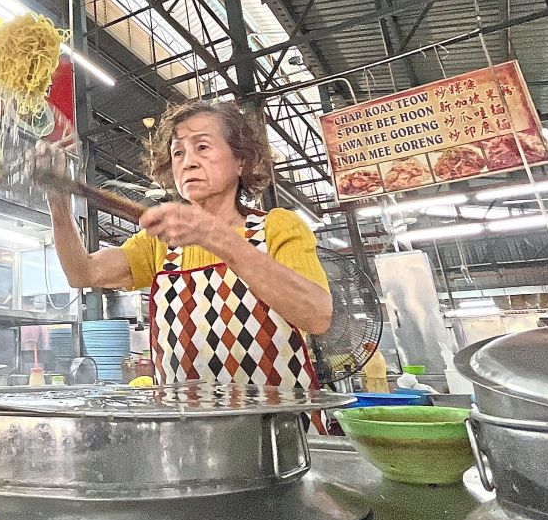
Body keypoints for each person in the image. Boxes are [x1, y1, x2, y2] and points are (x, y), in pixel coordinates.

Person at [45, 101, 332, 389]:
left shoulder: (276, 227)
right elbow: (83, 272)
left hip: (277, 426)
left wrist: (215, 237)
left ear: (240, 161)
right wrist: (58, 202)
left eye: (203, 147)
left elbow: (317, 316)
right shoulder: (161, 243)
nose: (188, 161)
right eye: (178, 152)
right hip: (190, 427)